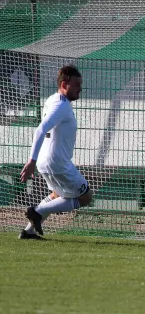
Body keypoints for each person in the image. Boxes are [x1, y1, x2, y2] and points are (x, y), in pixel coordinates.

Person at [18, 65, 93, 239]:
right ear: (64, 84)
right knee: (86, 197)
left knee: (57, 195)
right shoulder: (61, 105)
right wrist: (31, 161)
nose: (80, 87)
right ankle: (37, 211)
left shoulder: (53, 99)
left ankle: (28, 231)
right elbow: (40, 130)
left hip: (48, 161)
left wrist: (36, 161)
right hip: (57, 163)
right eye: (76, 84)